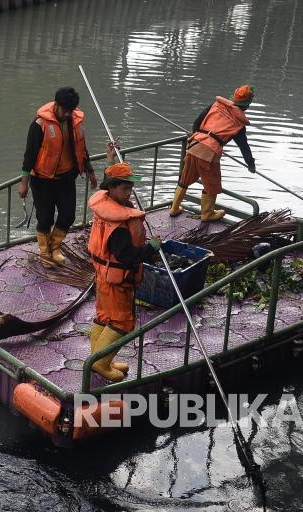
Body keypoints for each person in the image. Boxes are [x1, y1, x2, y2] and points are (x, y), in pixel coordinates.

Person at [87, 142, 161, 382]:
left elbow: (109, 180)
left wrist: (110, 161)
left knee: (104, 317)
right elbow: (126, 256)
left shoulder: (106, 206)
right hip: (117, 280)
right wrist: (151, 248)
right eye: (124, 188)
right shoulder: (119, 225)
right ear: (112, 189)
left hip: (103, 275)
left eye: (131, 187)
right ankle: (101, 363)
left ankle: (98, 358)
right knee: (121, 323)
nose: (129, 192)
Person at [19, 87, 98, 266]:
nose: (67, 114)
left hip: (66, 177)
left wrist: (90, 170)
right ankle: (45, 252)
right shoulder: (39, 124)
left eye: (71, 111)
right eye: (64, 110)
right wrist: (24, 183)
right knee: (45, 217)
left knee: (68, 215)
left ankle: (55, 247)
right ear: (56, 105)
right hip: (42, 179)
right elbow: (29, 155)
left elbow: (82, 149)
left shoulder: (75, 122)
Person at [169, 85, 256, 222]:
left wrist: (195, 133)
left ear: (233, 97)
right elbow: (244, 147)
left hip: (194, 145)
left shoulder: (216, 105)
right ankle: (207, 213)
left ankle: (174, 208)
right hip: (209, 153)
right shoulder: (239, 122)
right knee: (212, 184)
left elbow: (198, 121)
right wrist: (251, 165)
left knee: (184, 178)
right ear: (248, 105)